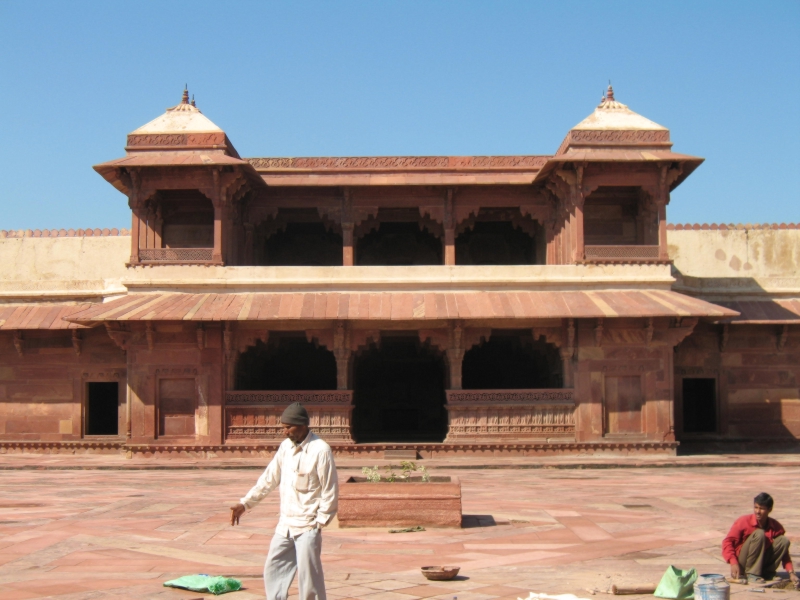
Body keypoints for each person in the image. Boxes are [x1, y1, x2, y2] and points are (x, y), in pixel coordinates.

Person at [230, 402, 338, 600]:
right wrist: (245, 503)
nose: (285, 431)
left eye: (288, 427)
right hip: (286, 523)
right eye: (283, 427)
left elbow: (329, 489)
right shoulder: (285, 448)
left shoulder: (320, 450)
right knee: (274, 567)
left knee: (309, 577)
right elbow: (269, 478)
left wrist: (321, 521)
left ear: (303, 425)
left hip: (308, 524)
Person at [722, 492, 799, 585]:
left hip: (762, 563)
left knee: (783, 540)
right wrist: (733, 563)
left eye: (762, 509)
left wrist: (791, 573)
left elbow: (784, 553)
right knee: (759, 533)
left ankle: (767, 573)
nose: (758, 511)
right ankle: (752, 574)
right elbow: (727, 542)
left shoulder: (776, 526)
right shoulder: (743, 521)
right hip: (743, 563)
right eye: (756, 507)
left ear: (769, 509)